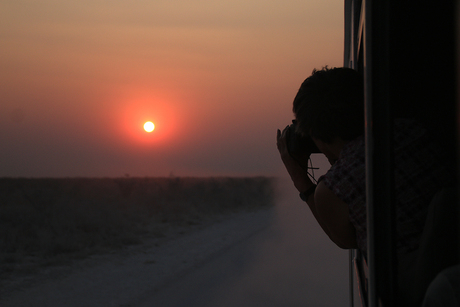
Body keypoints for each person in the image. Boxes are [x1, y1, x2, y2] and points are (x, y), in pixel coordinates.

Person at [276, 66, 454, 259]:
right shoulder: (415, 130)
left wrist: (300, 178)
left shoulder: (333, 189)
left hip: (417, 279)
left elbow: (346, 241)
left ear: (315, 133)